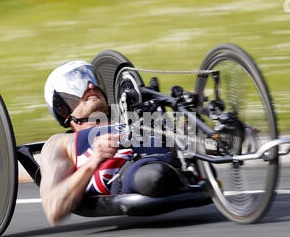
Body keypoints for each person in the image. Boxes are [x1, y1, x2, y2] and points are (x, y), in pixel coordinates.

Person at [40, 61, 186, 226]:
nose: (90, 85)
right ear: (62, 108)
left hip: (172, 152)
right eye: (77, 83)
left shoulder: (129, 118)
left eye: (93, 80)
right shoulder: (60, 142)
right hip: (132, 169)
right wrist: (94, 160)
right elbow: (54, 209)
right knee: (156, 175)